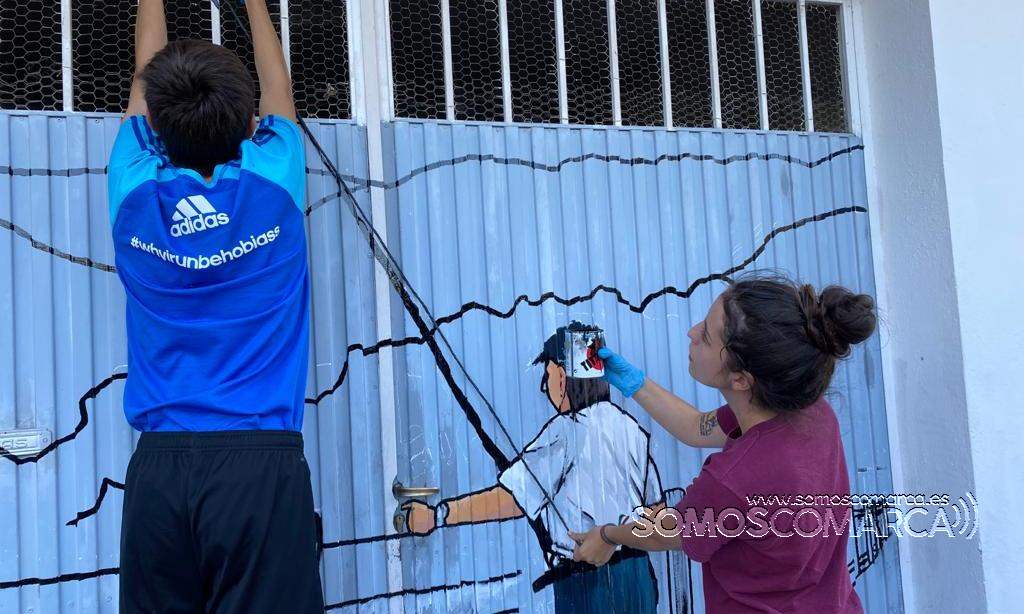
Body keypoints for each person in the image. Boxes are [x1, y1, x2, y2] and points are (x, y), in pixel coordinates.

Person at [107, 0, 322, 611]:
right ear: (246, 122)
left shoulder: (133, 191)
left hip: (160, 476)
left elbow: (145, 79)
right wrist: (255, 4)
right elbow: (278, 89)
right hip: (259, 470)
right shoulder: (274, 181)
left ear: (155, 124)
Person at [570, 275, 874, 613]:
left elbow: (667, 534)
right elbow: (697, 429)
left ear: (741, 379)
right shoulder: (812, 413)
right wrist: (635, 383)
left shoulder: (733, 479)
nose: (691, 332)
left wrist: (608, 536)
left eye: (706, 336)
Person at [402, 321, 664, 613]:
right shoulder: (631, 430)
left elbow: (510, 499)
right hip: (639, 578)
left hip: (589, 585)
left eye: (548, 374)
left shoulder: (565, 431)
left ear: (562, 378)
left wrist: (438, 515)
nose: (544, 385)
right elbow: (657, 510)